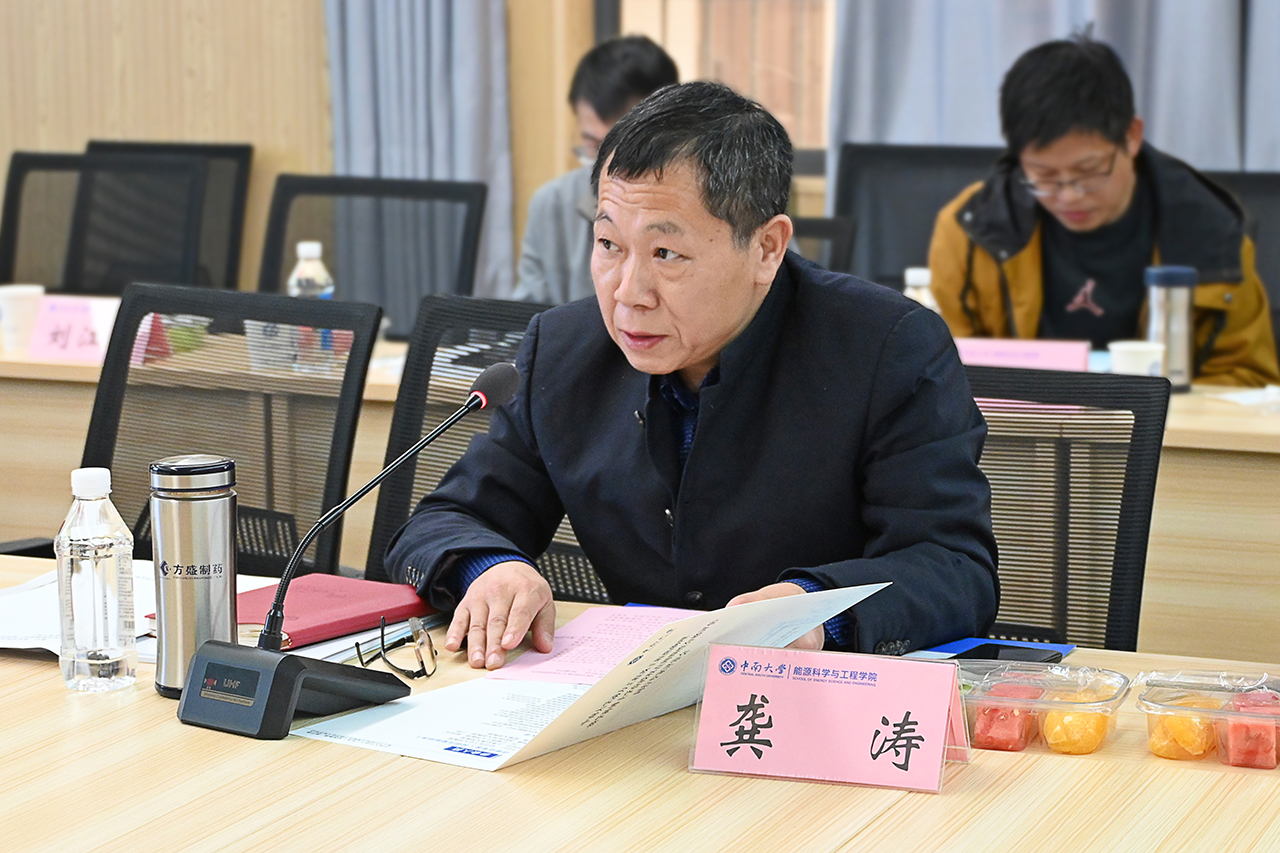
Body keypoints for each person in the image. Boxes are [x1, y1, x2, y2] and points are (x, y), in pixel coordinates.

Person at [386, 82, 998, 670]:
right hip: (632, 704)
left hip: (816, 703)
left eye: (666, 254)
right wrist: (490, 569)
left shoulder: (888, 348)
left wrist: (814, 609)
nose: (628, 292)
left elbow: (953, 567)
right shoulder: (564, 351)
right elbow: (442, 523)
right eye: (609, 244)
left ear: (767, 248)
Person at [928, 36, 1280, 387]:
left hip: (1163, 422)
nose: (1068, 196)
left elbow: (1249, 380)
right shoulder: (971, 230)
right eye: (1043, 176)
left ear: (1132, 136)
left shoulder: (1210, 233)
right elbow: (943, 376)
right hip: (1018, 420)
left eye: (1089, 172)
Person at [511, 35, 678, 304]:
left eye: (623, 148)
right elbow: (523, 318)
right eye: (593, 145)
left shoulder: (698, 207)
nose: (605, 167)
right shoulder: (552, 205)